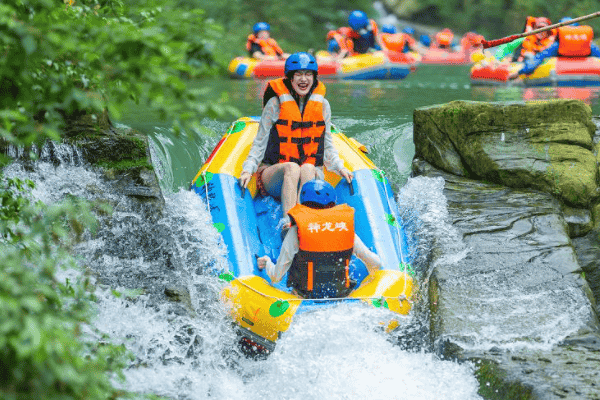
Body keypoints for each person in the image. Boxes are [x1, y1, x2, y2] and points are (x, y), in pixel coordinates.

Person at [239, 52, 353, 229]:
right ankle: (289, 223)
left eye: (308, 74)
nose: (303, 79)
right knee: (292, 167)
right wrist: (248, 169)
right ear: (290, 78)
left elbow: (327, 143)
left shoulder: (323, 106)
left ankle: (305, 222)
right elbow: (259, 142)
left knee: (307, 167)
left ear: (314, 78)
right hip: (275, 173)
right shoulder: (275, 104)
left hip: (308, 174)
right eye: (298, 74)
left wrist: (339, 167)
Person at [257, 180, 382, 299]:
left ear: (303, 204)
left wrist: (267, 262)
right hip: (341, 297)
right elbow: (376, 264)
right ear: (332, 205)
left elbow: (276, 277)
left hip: (305, 298)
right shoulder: (344, 227)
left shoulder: (296, 231)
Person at [510, 18, 600, 79]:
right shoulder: (588, 45)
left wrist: (519, 73)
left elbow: (538, 59)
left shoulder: (557, 46)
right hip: (591, 76)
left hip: (560, 75)